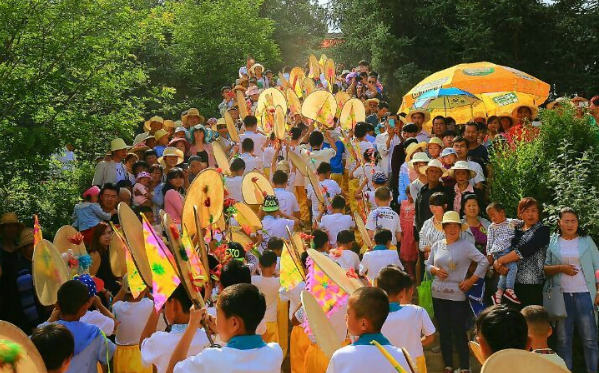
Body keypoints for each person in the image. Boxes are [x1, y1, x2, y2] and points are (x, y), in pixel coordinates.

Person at [168, 284, 283, 373]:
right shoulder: (275, 352)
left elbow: (173, 369)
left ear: (234, 323)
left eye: (218, 314)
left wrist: (192, 325)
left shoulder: (211, 358)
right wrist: (222, 331)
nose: (216, 320)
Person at [426, 211, 488, 373]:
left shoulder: (466, 245)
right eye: (449, 226)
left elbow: (483, 261)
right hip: (437, 294)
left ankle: (465, 366)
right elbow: (428, 264)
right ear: (444, 228)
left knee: (459, 331)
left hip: (457, 294)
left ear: (460, 228)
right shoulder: (437, 245)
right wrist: (434, 270)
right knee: (444, 330)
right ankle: (447, 365)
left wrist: (471, 280)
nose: (453, 229)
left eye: (456, 226)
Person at [544, 207, 599, 372]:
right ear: (559, 223)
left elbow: (598, 267)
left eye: (573, 221)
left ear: (578, 222)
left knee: (590, 340)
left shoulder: (586, 240)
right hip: (561, 297)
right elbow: (544, 268)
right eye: (566, 221)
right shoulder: (553, 242)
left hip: (585, 295)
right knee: (562, 341)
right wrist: (561, 267)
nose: (569, 224)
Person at [326, 287, 411, 373]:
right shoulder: (401, 356)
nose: (345, 317)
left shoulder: (341, 357)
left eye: (348, 313)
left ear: (363, 324)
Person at [44, 280, 115, 373]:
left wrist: (50, 320)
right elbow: (110, 354)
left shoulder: (48, 334)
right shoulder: (94, 334)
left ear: (57, 305)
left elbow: (31, 343)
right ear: (84, 307)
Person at [493, 197, 550, 308]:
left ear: (538, 213)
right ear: (520, 214)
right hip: (510, 287)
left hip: (531, 286)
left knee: (531, 322)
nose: (530, 214)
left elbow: (523, 251)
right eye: (526, 211)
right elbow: (500, 246)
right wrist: (497, 265)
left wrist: (499, 261)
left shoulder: (543, 230)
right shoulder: (513, 228)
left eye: (533, 211)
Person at [140, 284, 210, 373]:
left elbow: (143, 344)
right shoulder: (208, 339)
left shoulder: (159, 340)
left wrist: (156, 309)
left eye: (166, 304)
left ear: (173, 305)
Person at [378, 266, 435, 373]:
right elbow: (430, 337)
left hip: (384, 365)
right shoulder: (418, 311)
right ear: (402, 292)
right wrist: (415, 343)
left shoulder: (373, 315)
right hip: (413, 365)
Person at [111, 278, 154, 373]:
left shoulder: (118, 307)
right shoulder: (149, 304)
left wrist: (124, 287)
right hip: (141, 351)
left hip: (121, 353)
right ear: (143, 289)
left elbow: (113, 304)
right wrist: (148, 293)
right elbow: (160, 304)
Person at [486, 202, 522, 305]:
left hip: (509, 250)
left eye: (494, 214)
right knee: (513, 267)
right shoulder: (492, 227)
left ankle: (498, 293)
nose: (492, 218)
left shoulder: (511, 222)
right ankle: (510, 289)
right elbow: (489, 241)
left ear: (502, 212)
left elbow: (523, 224)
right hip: (499, 251)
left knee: (505, 273)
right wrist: (489, 254)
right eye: (490, 216)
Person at [415, 159, 453, 235]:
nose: (433, 174)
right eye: (431, 171)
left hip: (441, 233)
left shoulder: (446, 192)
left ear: (440, 174)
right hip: (424, 233)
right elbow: (417, 215)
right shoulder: (422, 192)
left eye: (436, 172)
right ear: (426, 172)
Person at [251, 251, 281, 344]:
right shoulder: (278, 282)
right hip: (271, 321)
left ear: (260, 264)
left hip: (256, 322)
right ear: (275, 265)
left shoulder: (253, 280)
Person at [87, 222, 119, 296]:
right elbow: (91, 277)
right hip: (103, 294)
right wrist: (105, 291)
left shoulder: (111, 249)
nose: (107, 236)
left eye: (109, 233)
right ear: (97, 236)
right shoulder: (95, 254)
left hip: (115, 290)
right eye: (103, 234)